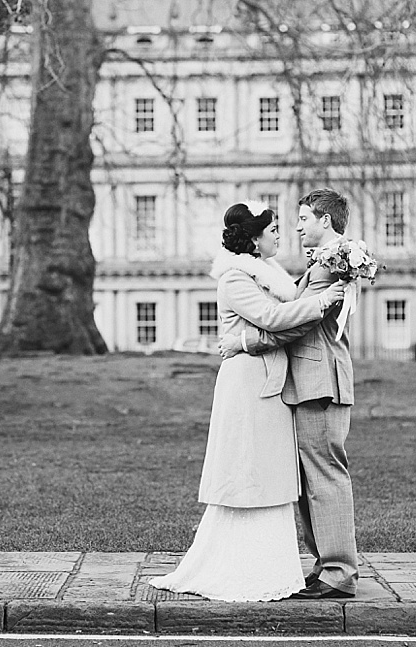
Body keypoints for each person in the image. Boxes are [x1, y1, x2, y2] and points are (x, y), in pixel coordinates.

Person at [149, 201, 345, 602]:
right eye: (272, 229)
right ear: (254, 240)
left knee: (269, 471)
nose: (280, 234)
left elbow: (286, 309)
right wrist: (323, 302)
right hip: (248, 382)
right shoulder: (236, 278)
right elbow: (274, 318)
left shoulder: (271, 273)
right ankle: (245, 565)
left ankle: (274, 564)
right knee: (250, 469)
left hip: (269, 381)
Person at [219, 188, 360, 600]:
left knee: (325, 476)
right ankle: (326, 566)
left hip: (320, 381)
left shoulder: (329, 268)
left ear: (326, 221)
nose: (297, 227)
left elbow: (296, 325)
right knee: (311, 478)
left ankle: (338, 571)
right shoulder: (325, 264)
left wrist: (245, 342)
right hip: (309, 382)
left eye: (303, 219)